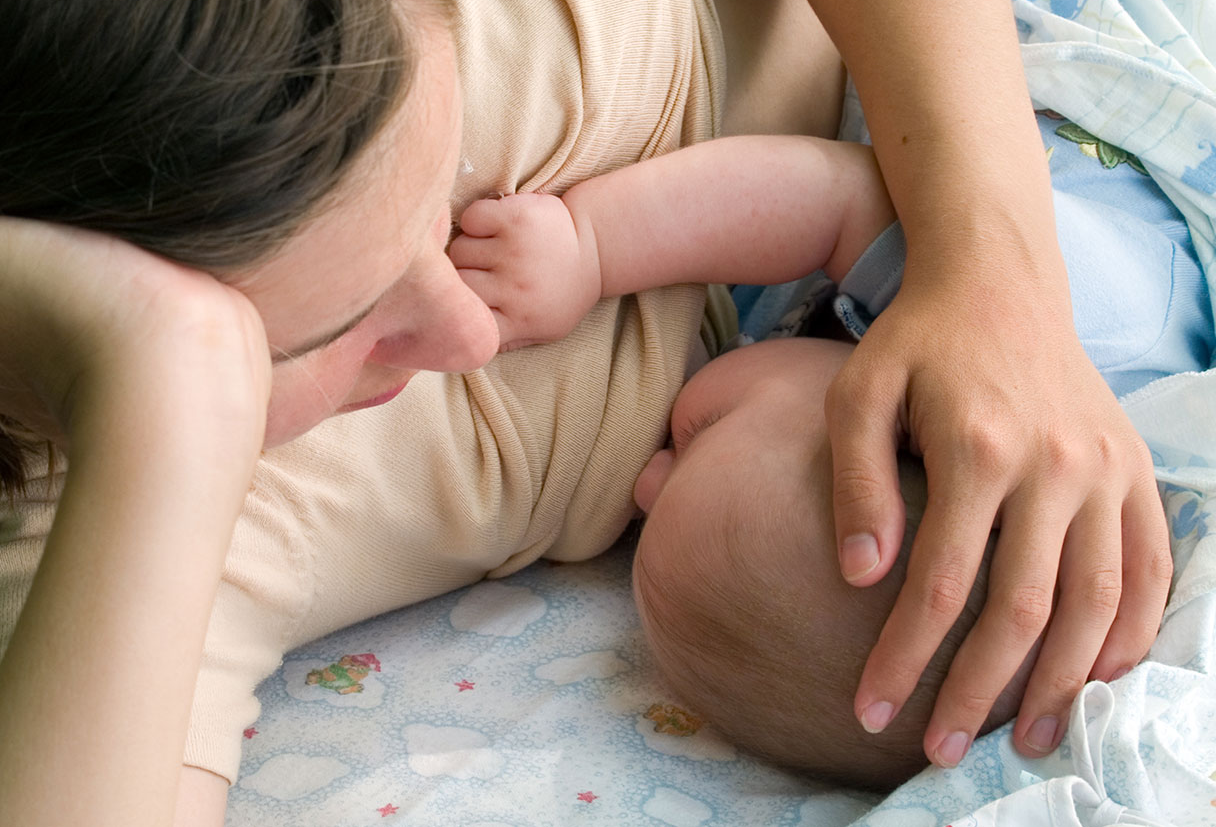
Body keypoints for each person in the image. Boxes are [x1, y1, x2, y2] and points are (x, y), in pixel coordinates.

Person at [0, 0, 1172, 824]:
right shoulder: (81, 523)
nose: (469, 327)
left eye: (444, 187)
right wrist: (165, 388)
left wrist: (991, 263)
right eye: (330, 335)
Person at [449, 114, 1212, 786]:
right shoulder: (1066, 329)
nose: (644, 482)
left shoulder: (805, 397)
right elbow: (830, 194)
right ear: (897, 434)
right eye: (697, 437)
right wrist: (594, 246)